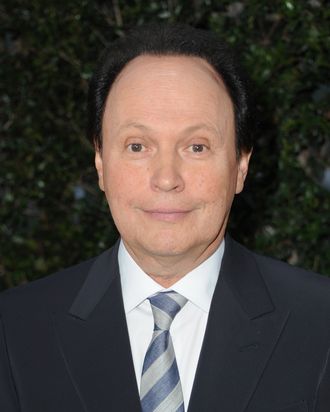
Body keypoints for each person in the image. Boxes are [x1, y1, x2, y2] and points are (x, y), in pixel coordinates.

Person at [0, 23, 329, 412]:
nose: (167, 178)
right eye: (137, 146)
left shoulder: (320, 323)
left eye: (196, 146)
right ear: (100, 162)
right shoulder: (15, 329)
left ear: (240, 165)